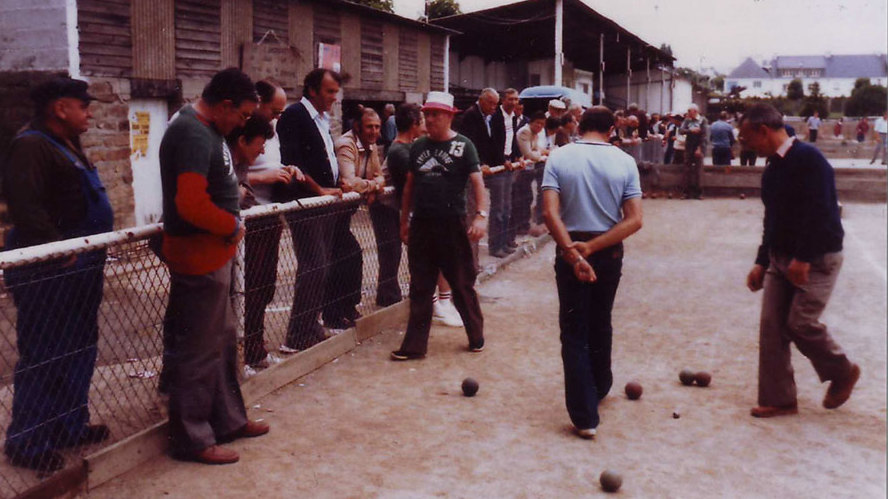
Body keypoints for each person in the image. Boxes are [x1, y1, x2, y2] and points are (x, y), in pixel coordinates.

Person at [158, 68, 269, 465]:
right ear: (224, 105)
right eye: (241, 115)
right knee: (199, 350)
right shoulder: (190, 132)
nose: (243, 124)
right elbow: (189, 203)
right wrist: (231, 224)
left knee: (220, 341)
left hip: (213, 254)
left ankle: (226, 420)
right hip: (198, 254)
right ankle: (192, 438)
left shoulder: (209, 130)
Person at [1, 77, 113, 472]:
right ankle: (27, 441)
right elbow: (25, 205)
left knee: (79, 347)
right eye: (83, 106)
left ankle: (68, 424)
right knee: (45, 352)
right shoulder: (31, 145)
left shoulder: (68, 144)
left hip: (82, 267)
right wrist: (58, 249)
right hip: (51, 269)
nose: (89, 113)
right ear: (59, 108)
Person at [739, 103, 860, 419]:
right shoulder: (773, 167)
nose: (745, 144)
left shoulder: (810, 160)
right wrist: (761, 262)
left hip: (818, 257)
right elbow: (773, 219)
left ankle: (843, 371)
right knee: (772, 327)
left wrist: (803, 258)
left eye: (747, 137)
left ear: (763, 130)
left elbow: (821, 212)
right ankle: (779, 399)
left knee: (801, 323)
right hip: (781, 258)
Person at [541, 106, 643, 439]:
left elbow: (549, 212)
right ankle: (600, 385)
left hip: (571, 249)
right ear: (612, 129)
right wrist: (594, 248)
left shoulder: (559, 157)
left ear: (579, 126)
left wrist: (573, 251)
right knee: (601, 319)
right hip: (608, 250)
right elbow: (634, 219)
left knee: (574, 329)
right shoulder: (624, 161)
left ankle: (585, 416)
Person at [390, 91, 487, 360]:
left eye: (435, 114)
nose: (429, 119)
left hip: (452, 223)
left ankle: (476, 335)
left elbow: (478, 183)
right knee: (420, 285)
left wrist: (480, 215)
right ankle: (414, 346)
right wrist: (404, 221)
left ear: (448, 116)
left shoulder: (464, 145)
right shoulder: (418, 147)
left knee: (461, 281)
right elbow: (409, 186)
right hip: (422, 223)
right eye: (427, 114)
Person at [275, 68, 346, 352]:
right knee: (313, 265)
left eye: (336, 92)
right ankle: (297, 334)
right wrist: (321, 190)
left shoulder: (322, 119)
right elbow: (293, 164)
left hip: (324, 203)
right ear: (313, 90)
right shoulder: (295, 116)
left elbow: (325, 158)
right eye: (329, 92)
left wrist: (338, 184)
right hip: (305, 203)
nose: (334, 98)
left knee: (322, 265)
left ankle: (311, 325)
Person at [241, 80, 301, 370]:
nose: (277, 117)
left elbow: (272, 164)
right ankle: (246, 352)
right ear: (259, 103)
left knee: (265, 287)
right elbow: (230, 176)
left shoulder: (272, 133)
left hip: (270, 216)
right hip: (249, 217)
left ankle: (257, 346)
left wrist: (287, 171)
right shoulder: (242, 131)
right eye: (274, 111)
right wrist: (263, 179)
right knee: (249, 289)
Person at [335, 108, 391, 312]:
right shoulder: (346, 144)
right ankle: (339, 311)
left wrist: (372, 184)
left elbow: (380, 175)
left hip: (346, 212)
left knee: (350, 257)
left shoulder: (372, 145)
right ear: (357, 126)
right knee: (348, 256)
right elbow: (349, 182)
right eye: (369, 127)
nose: (374, 131)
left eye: (377, 127)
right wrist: (373, 185)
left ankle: (346, 308)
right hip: (331, 212)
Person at [513, 111, 548, 239]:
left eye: (542, 124)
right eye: (537, 123)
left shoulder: (535, 134)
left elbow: (537, 150)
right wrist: (540, 155)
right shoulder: (525, 131)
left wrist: (538, 154)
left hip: (528, 169)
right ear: (531, 122)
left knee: (527, 197)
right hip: (520, 169)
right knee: (521, 198)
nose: (539, 126)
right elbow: (529, 153)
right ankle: (520, 225)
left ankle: (524, 224)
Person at [679, 104, 709, 199]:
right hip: (689, 147)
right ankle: (686, 192)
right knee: (686, 169)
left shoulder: (703, 121)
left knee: (698, 170)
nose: (688, 113)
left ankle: (699, 192)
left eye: (689, 111)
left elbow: (704, 136)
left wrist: (700, 148)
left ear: (695, 111)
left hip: (698, 146)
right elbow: (681, 130)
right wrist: (691, 131)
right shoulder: (687, 120)